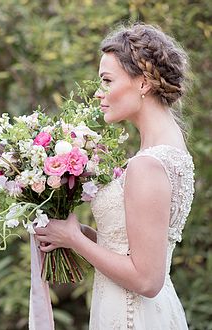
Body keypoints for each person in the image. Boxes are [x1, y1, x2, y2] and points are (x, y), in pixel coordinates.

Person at [34, 23, 194, 329]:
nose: (98, 93)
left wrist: (73, 239)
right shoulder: (167, 150)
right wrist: (79, 234)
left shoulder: (147, 165)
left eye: (107, 81)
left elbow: (147, 279)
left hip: (133, 316)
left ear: (144, 82)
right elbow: (132, 249)